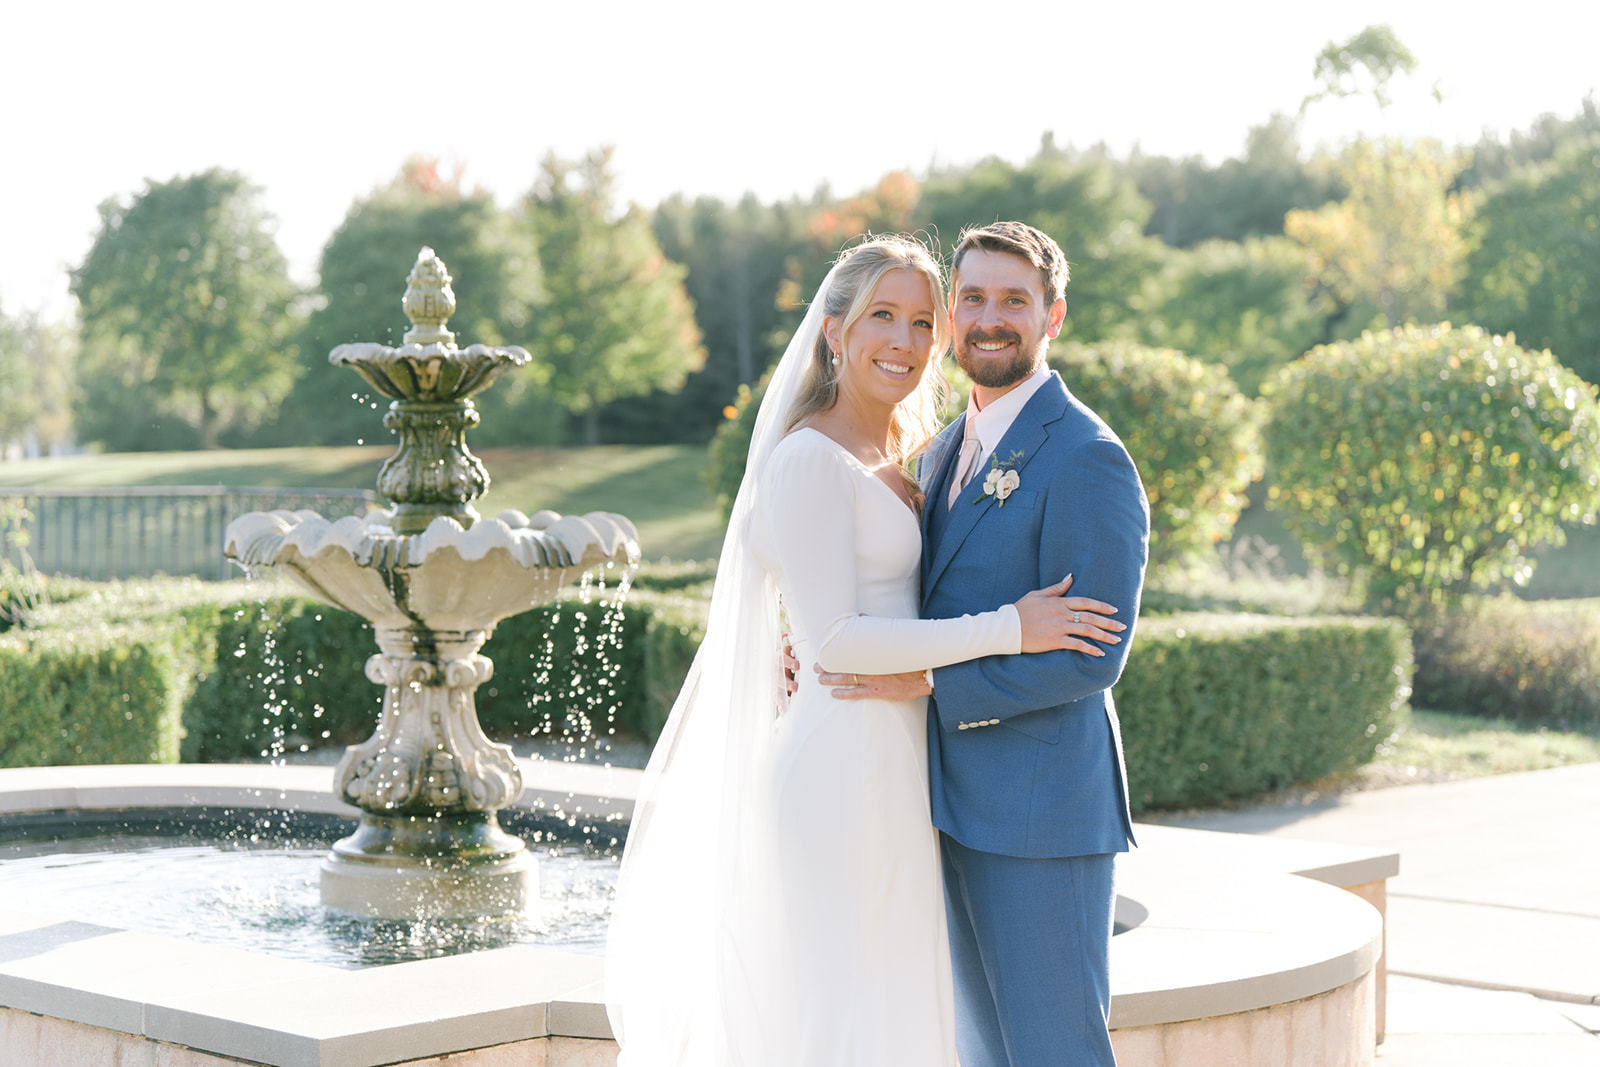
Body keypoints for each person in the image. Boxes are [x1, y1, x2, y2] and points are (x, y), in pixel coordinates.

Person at [604, 234, 1125, 1066]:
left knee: (915, 1012)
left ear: (1051, 315)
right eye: (887, 315)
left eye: (921, 320)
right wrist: (1007, 627)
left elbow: (1088, 650)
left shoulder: (949, 454)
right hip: (847, 761)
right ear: (833, 329)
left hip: (962, 786)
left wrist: (913, 672)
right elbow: (838, 635)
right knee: (844, 1005)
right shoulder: (823, 456)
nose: (909, 338)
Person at [818, 221, 1149, 1066]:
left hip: (1039, 814)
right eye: (972, 299)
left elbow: (1091, 655)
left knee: (1054, 1050)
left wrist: (929, 682)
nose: (990, 318)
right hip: (946, 804)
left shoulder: (1087, 458)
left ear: (1053, 316)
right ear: (952, 315)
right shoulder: (939, 453)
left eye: (1015, 300)